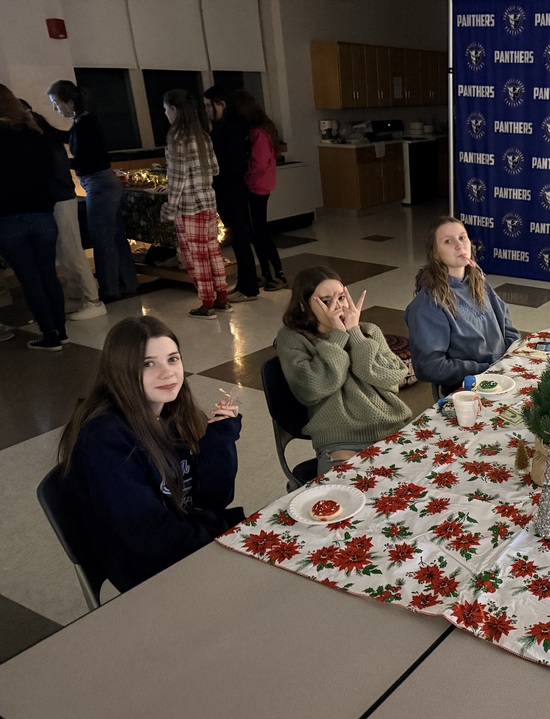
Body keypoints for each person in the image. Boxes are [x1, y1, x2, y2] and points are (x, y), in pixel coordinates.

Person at [56, 316, 244, 592]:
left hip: (188, 542)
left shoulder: (172, 413)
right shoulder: (104, 438)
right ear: (121, 371)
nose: (168, 373)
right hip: (153, 571)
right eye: (148, 364)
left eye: (173, 359)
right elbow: (151, 537)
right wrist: (223, 543)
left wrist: (220, 437)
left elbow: (213, 499)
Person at [277, 266, 412, 474]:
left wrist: (355, 335)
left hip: (391, 429)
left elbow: (392, 378)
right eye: (326, 301)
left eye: (341, 297)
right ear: (303, 306)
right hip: (340, 442)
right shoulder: (292, 338)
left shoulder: (368, 331)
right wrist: (337, 339)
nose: (338, 307)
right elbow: (311, 389)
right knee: (351, 487)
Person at [46, 79, 137, 303]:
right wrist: (45, 129)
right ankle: (127, 283)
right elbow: (70, 139)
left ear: (69, 102)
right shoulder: (83, 121)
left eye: (56, 104)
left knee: (102, 238)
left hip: (99, 184)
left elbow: (87, 160)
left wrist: (59, 163)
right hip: (105, 182)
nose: (56, 109)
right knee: (115, 236)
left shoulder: (85, 123)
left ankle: (109, 290)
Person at [405, 216, 520, 393]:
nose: (459, 245)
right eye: (448, 241)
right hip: (469, 389)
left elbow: (507, 326)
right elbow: (429, 367)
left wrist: (510, 359)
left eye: (462, 237)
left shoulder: (478, 282)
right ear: (435, 253)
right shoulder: (428, 303)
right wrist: (488, 369)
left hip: (502, 374)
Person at [21, 99, 106, 321]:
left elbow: (50, 171)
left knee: (71, 250)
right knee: (64, 251)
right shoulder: (42, 133)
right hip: (57, 197)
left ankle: (93, 300)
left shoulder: (40, 136)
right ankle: (78, 296)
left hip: (59, 197)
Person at [0, 83, 67, 351]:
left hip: (9, 218)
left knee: (29, 278)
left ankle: (49, 334)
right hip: (42, 214)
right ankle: (61, 330)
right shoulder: (34, 133)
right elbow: (49, 170)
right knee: (48, 273)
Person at [160, 89, 230, 318]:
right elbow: (215, 169)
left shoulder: (176, 138)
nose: (165, 113)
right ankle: (221, 298)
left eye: (166, 109)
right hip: (208, 201)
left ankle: (207, 303)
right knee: (212, 251)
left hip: (189, 207)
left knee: (195, 256)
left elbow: (177, 179)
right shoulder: (202, 135)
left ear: (174, 109)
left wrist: (169, 209)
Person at [202, 86, 259, 302]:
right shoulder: (224, 125)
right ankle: (245, 284)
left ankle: (249, 288)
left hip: (232, 189)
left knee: (240, 238)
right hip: (227, 188)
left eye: (209, 106)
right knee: (237, 238)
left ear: (222, 104)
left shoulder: (234, 126)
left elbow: (231, 162)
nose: (207, 110)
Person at [233, 90, 287, 292]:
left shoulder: (258, 133)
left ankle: (278, 274)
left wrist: (244, 174)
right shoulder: (265, 129)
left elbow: (259, 163)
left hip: (256, 185)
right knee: (258, 233)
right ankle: (266, 273)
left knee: (261, 233)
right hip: (261, 184)